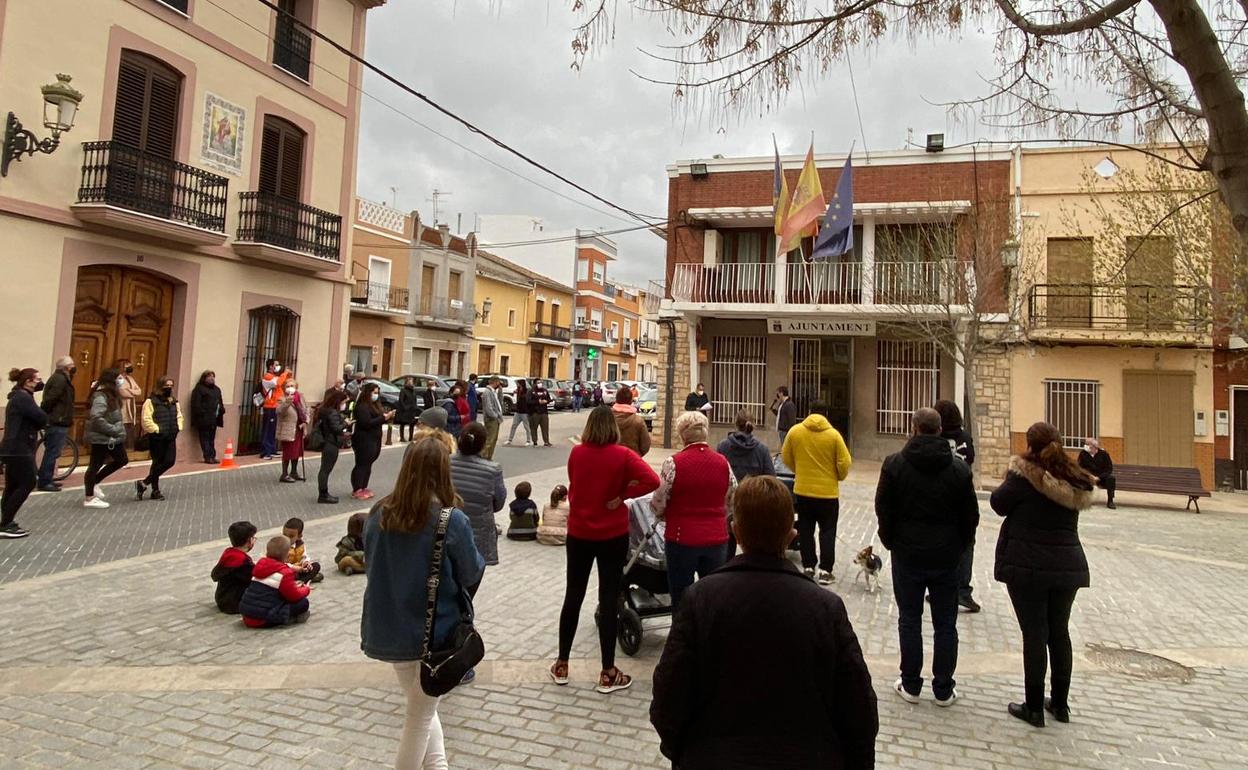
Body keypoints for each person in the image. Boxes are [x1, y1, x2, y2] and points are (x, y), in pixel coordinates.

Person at [650, 475, 878, 769]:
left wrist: (684, 752)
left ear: (736, 532)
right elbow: (860, 710)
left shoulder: (700, 599)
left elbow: (668, 698)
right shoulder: (826, 608)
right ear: (791, 534)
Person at [360, 438, 485, 770]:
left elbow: (370, 563)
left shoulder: (378, 513)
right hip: (433, 635)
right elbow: (472, 569)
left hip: (387, 628)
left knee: (425, 709)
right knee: (419, 717)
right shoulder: (449, 519)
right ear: (444, 471)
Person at [875, 407, 980, 708]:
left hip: (908, 554)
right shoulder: (959, 470)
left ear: (915, 427)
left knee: (910, 619)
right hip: (946, 556)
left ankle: (910, 683)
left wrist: (891, 540)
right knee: (946, 623)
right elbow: (970, 516)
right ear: (940, 430)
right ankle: (944, 688)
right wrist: (960, 545)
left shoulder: (895, 465)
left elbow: (884, 508)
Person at [992, 422, 1094, 728]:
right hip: (1067, 565)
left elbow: (998, 503)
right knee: (1059, 632)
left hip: (1028, 565)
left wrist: (1011, 474)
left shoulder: (1024, 476)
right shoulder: (1074, 476)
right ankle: (1060, 705)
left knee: (1034, 634)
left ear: (1030, 444)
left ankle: (1034, 707)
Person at [552, 406, 661, 693]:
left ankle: (562, 663)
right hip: (612, 534)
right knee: (609, 596)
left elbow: (577, 484)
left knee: (572, 595)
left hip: (579, 533)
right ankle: (607, 671)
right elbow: (653, 480)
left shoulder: (577, 453)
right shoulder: (623, 455)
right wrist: (623, 494)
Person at [651, 411, 736, 608]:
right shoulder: (723, 462)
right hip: (716, 538)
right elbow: (733, 496)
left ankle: (683, 635)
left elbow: (659, 500)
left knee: (681, 597)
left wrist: (661, 514)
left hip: (682, 538)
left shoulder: (674, 463)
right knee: (712, 597)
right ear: (705, 433)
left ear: (682, 436)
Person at [781, 401, 852, 584]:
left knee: (805, 529)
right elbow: (845, 463)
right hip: (828, 493)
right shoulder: (834, 436)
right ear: (826, 414)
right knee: (827, 531)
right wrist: (837, 476)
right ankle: (826, 570)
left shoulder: (795, 432)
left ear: (809, 412)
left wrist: (800, 470)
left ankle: (808, 566)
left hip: (803, 490)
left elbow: (786, 456)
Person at [933, 398, 981, 613]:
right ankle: (962, 589)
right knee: (965, 544)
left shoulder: (934, 437)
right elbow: (969, 460)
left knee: (939, 542)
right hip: (961, 495)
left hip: (938, 496)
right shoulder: (965, 438)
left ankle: (939, 587)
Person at [449, 423, 506, 572]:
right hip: (479, 533)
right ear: (483, 444)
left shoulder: (445, 462)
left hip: (447, 527)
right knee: (472, 577)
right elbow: (499, 503)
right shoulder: (493, 469)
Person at [1, 368, 48, 538]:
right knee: (27, 483)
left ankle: (6, 521)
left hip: (13, 447)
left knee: (13, 486)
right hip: (18, 448)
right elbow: (41, 417)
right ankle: (6, 523)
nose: (39, 382)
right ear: (28, 381)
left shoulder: (20, 396)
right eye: (37, 379)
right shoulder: (22, 398)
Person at [239, 535, 312, 628]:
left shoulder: (259, 566)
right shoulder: (284, 573)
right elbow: (294, 596)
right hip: (262, 618)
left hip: (247, 615)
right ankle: (288, 618)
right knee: (303, 603)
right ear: (287, 556)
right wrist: (306, 589)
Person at [82, 367, 129, 509]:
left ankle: (94, 482)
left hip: (111, 438)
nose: (122, 381)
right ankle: (89, 497)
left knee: (121, 460)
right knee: (95, 464)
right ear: (112, 380)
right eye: (119, 378)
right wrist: (112, 429)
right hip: (103, 437)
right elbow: (96, 417)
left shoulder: (111, 395)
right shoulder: (101, 396)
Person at [136, 375, 183, 501]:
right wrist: (156, 430)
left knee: (169, 461)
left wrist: (178, 427)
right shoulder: (151, 401)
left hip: (171, 436)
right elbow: (146, 419)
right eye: (166, 386)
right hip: (157, 437)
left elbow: (179, 415)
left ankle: (144, 482)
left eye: (171, 386)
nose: (169, 388)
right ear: (160, 386)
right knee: (157, 463)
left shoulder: (173, 401)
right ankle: (155, 490)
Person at [36, 356, 75, 492]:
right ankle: (45, 481)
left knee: (53, 451)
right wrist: (47, 414)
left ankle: (48, 478)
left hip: (58, 419)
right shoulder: (60, 379)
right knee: (52, 452)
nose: (73, 367)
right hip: (57, 420)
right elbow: (51, 399)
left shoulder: (61, 378)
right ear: (66, 367)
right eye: (72, 365)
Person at [351, 382, 393, 500]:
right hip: (364, 439)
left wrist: (386, 417)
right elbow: (366, 423)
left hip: (375, 438)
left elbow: (377, 420)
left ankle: (364, 486)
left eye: (377, 393)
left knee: (369, 463)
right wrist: (383, 418)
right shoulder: (362, 407)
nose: (376, 395)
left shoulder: (375, 405)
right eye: (374, 393)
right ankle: (357, 488)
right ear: (368, 393)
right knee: (362, 464)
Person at [315, 389, 352, 504]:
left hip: (328, 442)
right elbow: (336, 428)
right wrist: (346, 423)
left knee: (324, 469)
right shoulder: (332, 413)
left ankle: (324, 493)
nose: (344, 405)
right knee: (326, 470)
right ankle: (323, 494)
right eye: (343, 402)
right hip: (331, 443)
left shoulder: (325, 411)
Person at [212, 521, 257, 614]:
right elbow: (254, 578)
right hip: (234, 603)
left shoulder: (228, 553)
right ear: (249, 540)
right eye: (253, 538)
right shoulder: (242, 561)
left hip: (222, 598)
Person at [717, 410, 776, 481]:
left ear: (736, 424)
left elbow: (716, 474)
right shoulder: (762, 450)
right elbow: (771, 480)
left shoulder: (722, 447)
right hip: (754, 491)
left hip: (730, 491)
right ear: (753, 425)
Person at [189, 370, 224, 464]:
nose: (212, 378)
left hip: (214, 418)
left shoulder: (216, 389)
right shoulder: (199, 389)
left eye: (213, 376)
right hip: (203, 419)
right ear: (204, 378)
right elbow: (196, 404)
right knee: (204, 438)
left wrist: (221, 410)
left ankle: (212, 455)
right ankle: (207, 456)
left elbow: (220, 401)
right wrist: (202, 413)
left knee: (211, 438)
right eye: (209, 376)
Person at [276, 379, 307, 483]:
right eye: (288, 386)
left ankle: (294, 472)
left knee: (297, 451)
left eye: (292, 385)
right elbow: (280, 411)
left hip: (299, 428)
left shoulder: (300, 398)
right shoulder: (282, 399)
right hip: (288, 429)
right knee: (288, 452)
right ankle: (284, 474)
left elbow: (305, 410)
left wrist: (305, 422)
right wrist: (288, 401)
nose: (290, 387)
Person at [259, 358, 291, 459]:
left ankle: (272, 449)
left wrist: (287, 374)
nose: (278, 366)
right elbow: (278, 383)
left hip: (275, 406)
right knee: (267, 430)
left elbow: (282, 382)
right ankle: (264, 452)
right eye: (276, 365)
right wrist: (284, 373)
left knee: (273, 430)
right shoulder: (267, 377)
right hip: (269, 406)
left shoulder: (275, 377)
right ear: (271, 366)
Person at [612, 386, 651, 457]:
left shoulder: (607, 419)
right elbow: (645, 445)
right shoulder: (638, 421)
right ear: (631, 401)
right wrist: (637, 456)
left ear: (616, 399)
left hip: (611, 460)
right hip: (632, 461)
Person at [1077, 438, 1116, 509]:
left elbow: (1109, 469)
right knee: (1079, 479)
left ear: (1093, 446)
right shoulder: (1083, 454)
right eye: (1085, 444)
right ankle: (1081, 501)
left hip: (1101, 478)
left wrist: (1099, 477)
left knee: (1111, 479)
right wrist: (1089, 476)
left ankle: (1110, 501)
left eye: (1087, 444)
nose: (1085, 446)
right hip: (1088, 477)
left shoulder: (1104, 454)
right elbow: (1080, 467)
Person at [282, 516, 323, 583]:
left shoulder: (300, 544)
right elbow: (280, 564)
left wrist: (306, 563)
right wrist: (294, 568)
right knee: (286, 574)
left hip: (299, 569)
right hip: (288, 570)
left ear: (299, 536)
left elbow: (304, 556)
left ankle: (301, 581)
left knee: (316, 566)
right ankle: (307, 578)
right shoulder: (281, 546)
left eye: (291, 536)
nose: (287, 538)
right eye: (284, 535)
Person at [115, 359, 142, 450]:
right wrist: (132, 393)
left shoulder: (130, 379)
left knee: (130, 428)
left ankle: (129, 448)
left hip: (131, 407)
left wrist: (129, 391)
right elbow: (122, 392)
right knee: (123, 427)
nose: (130, 368)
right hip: (123, 407)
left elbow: (139, 391)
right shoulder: (119, 378)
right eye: (127, 366)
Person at [479, 376, 503, 460]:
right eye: (498, 382)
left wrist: (500, 391)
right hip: (491, 419)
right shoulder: (487, 392)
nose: (499, 384)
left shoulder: (494, 392)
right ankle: (483, 456)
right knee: (489, 440)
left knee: (494, 439)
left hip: (496, 419)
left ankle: (489, 457)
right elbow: (488, 407)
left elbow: (499, 402)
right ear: (495, 382)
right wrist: (495, 416)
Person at [505, 379, 532, 446]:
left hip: (524, 412)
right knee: (514, 425)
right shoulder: (518, 390)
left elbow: (528, 401)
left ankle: (528, 440)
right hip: (518, 411)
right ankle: (510, 440)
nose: (517, 384)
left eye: (518, 383)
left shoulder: (526, 391)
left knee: (526, 426)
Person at [527, 378, 552, 447]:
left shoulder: (545, 391)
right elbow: (528, 401)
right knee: (534, 428)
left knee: (545, 428)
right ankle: (535, 441)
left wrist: (547, 401)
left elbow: (549, 398)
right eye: (538, 382)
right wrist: (538, 402)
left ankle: (546, 442)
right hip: (534, 412)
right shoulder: (531, 391)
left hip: (544, 412)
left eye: (541, 382)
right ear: (534, 383)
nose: (540, 384)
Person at [397, 376, 421, 442]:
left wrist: (415, 407)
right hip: (405, 410)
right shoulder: (403, 390)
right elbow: (401, 400)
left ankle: (411, 437)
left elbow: (414, 400)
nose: (411, 383)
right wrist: (405, 407)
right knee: (403, 424)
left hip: (412, 410)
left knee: (412, 424)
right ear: (406, 382)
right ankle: (402, 437)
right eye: (410, 381)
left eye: (412, 381)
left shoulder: (413, 390)